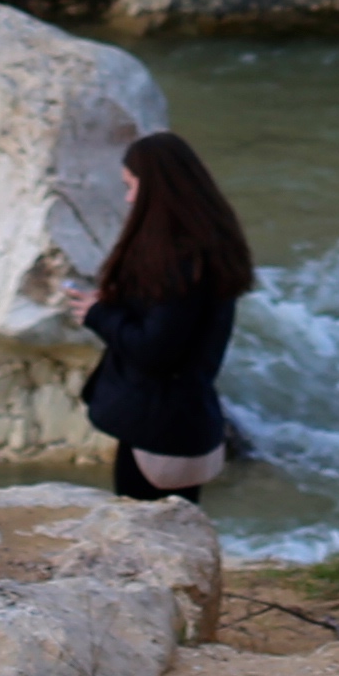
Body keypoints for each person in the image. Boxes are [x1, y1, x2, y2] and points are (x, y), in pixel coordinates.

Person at [59, 128, 254, 502]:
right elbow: (175, 325)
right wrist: (120, 304)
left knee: (148, 531)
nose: (129, 198)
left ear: (157, 191)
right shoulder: (213, 243)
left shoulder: (178, 258)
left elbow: (155, 349)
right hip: (184, 418)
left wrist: (98, 314)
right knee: (176, 525)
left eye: (132, 186)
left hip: (158, 426)